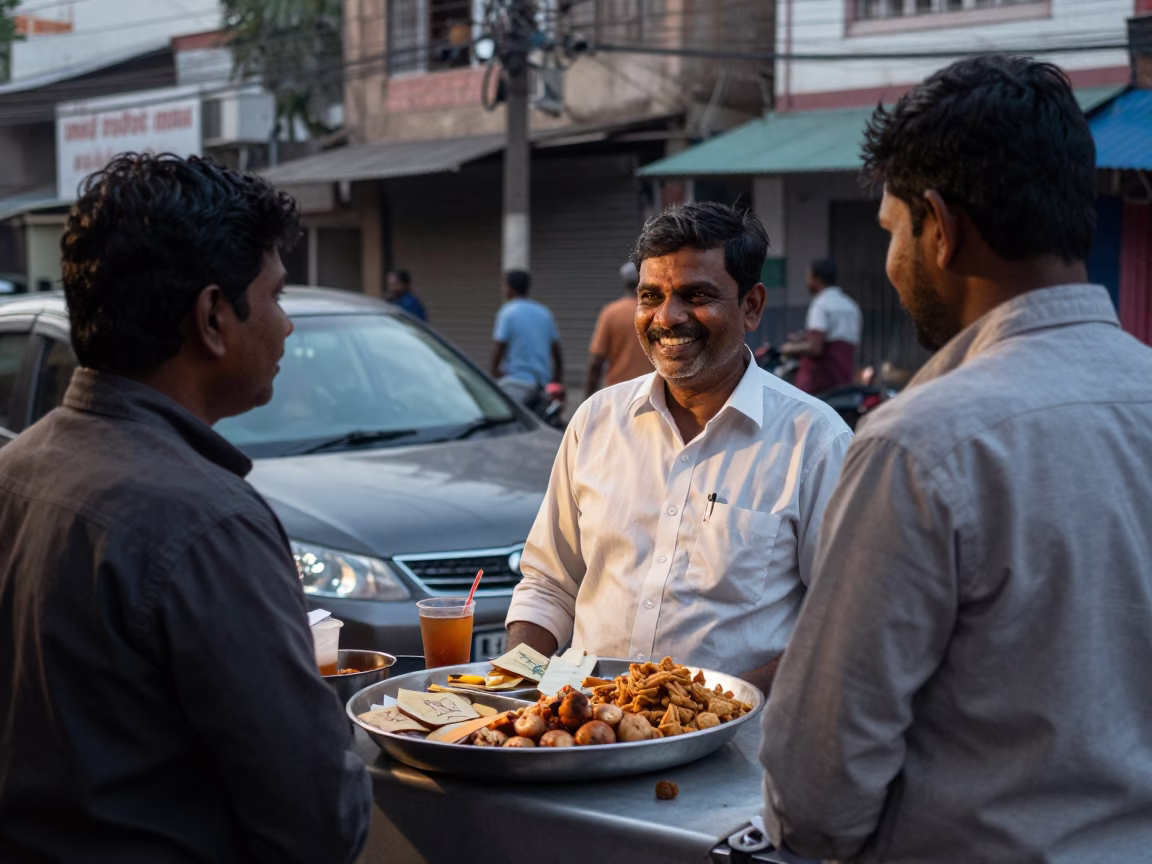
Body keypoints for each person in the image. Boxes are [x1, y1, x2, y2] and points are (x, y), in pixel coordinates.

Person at [760, 56, 1152, 863]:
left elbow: (814, 794)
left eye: (892, 233)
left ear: (941, 227)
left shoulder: (920, 445)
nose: (896, 264)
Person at [0, 154, 372, 863]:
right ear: (212, 317)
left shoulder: (14, 469)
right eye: (276, 297)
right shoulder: (208, 522)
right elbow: (316, 822)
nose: (287, 327)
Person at [505, 203, 851, 694]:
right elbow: (549, 584)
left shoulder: (815, 441)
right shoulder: (595, 422)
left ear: (751, 306)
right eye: (652, 296)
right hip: (585, 734)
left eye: (696, 295)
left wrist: (715, 708)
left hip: (740, 753)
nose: (667, 317)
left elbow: (843, 622)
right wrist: (514, 684)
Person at [778, 257, 861, 394]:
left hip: (819, 386)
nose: (806, 281)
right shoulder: (851, 306)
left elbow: (815, 348)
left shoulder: (821, 304)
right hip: (844, 382)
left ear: (816, 278)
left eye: (808, 276)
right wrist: (804, 338)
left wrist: (788, 348)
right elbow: (837, 339)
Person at [584, 260, 654, 399]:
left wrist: (588, 399)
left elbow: (597, 361)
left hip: (618, 393)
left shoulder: (611, 312)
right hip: (652, 392)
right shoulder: (656, 312)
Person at [490, 269, 563, 399]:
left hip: (515, 382)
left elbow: (499, 348)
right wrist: (556, 378)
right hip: (541, 384)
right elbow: (556, 351)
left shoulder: (507, 313)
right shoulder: (544, 313)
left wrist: (494, 371)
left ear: (509, 288)